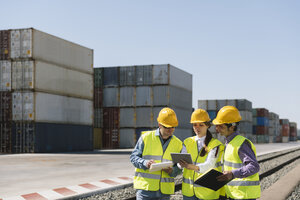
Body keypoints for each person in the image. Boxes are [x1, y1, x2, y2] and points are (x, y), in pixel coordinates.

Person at [130, 107, 183, 200]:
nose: (171, 129)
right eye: (167, 127)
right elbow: (133, 157)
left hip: (165, 192)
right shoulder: (146, 138)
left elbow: (180, 166)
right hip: (146, 189)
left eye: (173, 127)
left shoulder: (178, 143)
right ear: (159, 125)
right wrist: (145, 163)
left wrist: (173, 171)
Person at [213, 106, 261, 200]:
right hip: (235, 194)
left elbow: (254, 166)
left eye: (221, 126)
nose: (217, 129)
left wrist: (233, 174)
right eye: (216, 126)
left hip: (244, 195)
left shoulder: (242, 144)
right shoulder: (229, 143)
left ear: (232, 127)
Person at [179, 108, 225, 200]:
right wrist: (180, 164)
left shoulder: (215, 144)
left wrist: (190, 166)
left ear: (207, 125)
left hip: (207, 193)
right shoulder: (187, 142)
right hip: (189, 192)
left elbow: (209, 165)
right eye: (195, 125)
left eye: (201, 125)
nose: (197, 127)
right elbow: (180, 163)